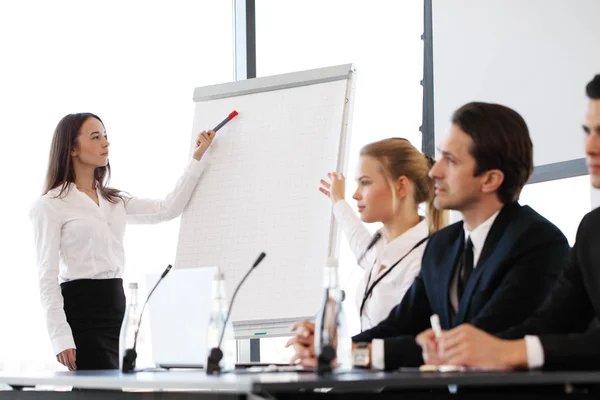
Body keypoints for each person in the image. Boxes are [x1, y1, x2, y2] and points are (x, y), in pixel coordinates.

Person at [288, 102, 569, 371]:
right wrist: (331, 346)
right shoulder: (443, 245)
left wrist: (349, 353)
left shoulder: (538, 243)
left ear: (490, 180)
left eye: (451, 160)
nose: (434, 171)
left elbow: (472, 344)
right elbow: (401, 325)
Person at [416, 74, 600, 371]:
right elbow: (553, 323)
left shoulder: (539, 240)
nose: (589, 146)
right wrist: (467, 350)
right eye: (588, 131)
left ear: (491, 179)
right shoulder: (593, 229)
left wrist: (514, 352)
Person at [29, 113, 215, 371]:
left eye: (105, 135)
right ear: (71, 148)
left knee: (111, 387)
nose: (106, 143)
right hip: (81, 309)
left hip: (115, 304)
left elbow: (167, 209)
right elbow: (46, 276)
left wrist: (197, 157)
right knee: (98, 389)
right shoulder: (50, 205)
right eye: (96, 137)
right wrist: (59, 336)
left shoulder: (114, 201)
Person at [317, 138, 446, 331]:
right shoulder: (382, 247)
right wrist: (338, 201)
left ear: (401, 186)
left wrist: (341, 348)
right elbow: (359, 241)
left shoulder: (422, 261)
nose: (355, 195)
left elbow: (401, 341)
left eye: (365, 183)